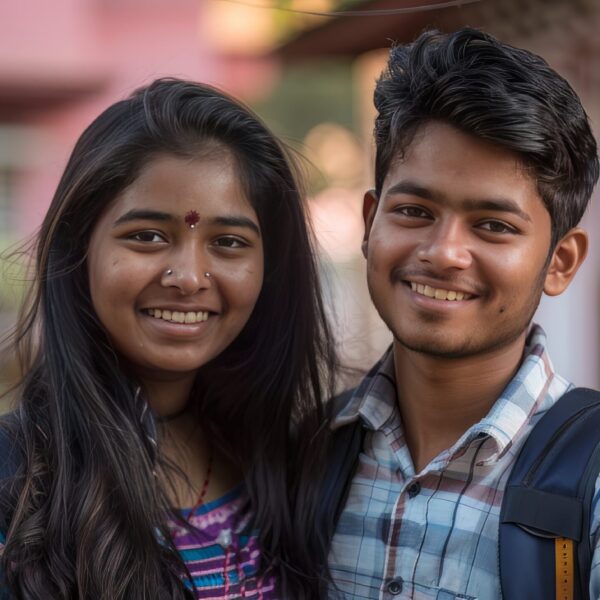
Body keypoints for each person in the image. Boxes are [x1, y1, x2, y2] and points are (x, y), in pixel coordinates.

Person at [0, 78, 336, 599]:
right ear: (79, 248)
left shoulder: (299, 468)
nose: (189, 277)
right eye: (148, 236)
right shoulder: (16, 486)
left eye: (228, 242)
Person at [326, 28, 599, 598]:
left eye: (494, 226)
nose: (444, 252)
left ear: (560, 261)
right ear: (369, 223)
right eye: (414, 210)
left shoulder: (591, 484)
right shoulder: (304, 458)